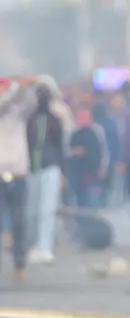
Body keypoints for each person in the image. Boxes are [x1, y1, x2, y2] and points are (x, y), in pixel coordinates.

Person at [24, 82, 68, 265]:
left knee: (47, 209)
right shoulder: (28, 121)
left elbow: (60, 148)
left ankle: (45, 246)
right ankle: (34, 245)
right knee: (32, 209)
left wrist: (63, 172)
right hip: (32, 168)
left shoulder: (55, 120)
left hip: (50, 167)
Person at [0, 77, 31, 281]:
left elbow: (31, 103)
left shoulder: (20, 114)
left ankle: (20, 264)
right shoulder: (5, 106)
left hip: (19, 173)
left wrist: (27, 86)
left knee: (20, 222)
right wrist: (17, 89)